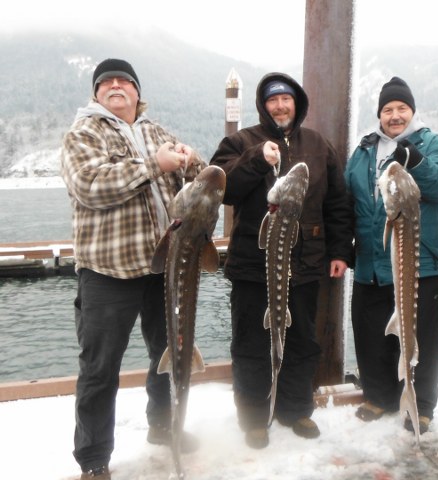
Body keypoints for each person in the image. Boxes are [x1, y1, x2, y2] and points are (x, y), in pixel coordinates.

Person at [61, 58, 205, 479]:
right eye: (106, 82)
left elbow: (193, 181)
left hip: (164, 270)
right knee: (99, 367)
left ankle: (162, 426)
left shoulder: (157, 131)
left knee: (170, 355)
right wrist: (153, 165)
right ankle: (93, 458)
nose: (116, 85)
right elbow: (90, 186)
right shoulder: (83, 132)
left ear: (138, 92)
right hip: (107, 271)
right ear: (96, 93)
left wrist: (191, 161)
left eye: (125, 80)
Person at [210, 72, 353, 449]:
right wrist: (256, 159)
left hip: (306, 265)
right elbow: (222, 186)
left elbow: (338, 202)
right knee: (251, 342)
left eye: (286, 99)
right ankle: (255, 417)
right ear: (263, 105)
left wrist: (340, 251)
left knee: (302, 339)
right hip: (251, 267)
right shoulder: (241, 141)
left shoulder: (318, 145)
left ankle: (295, 409)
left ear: (297, 103)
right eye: (272, 100)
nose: (280, 105)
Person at [344, 77, 438, 434]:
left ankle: (421, 406)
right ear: (379, 114)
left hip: (421, 265)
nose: (395, 115)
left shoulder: (431, 143)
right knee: (371, 335)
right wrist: (344, 247)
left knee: (423, 340)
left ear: (412, 111)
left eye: (401, 108)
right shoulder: (363, 150)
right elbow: (348, 200)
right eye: (388, 109)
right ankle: (379, 396)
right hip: (371, 265)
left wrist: (417, 161)